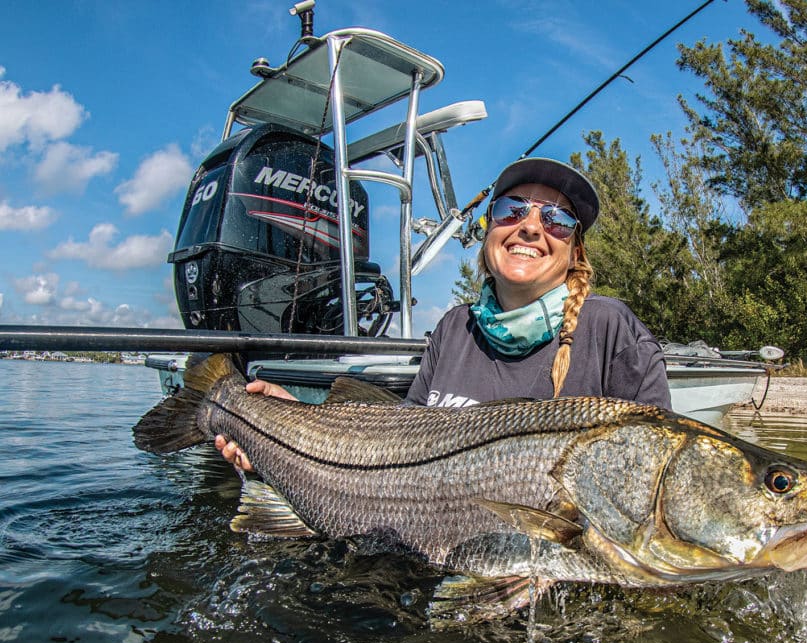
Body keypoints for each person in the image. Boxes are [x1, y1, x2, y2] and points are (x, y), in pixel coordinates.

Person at [216, 158, 670, 470]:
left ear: (574, 251)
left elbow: (643, 473)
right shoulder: (455, 327)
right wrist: (299, 426)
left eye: (557, 219)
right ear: (490, 230)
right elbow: (399, 441)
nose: (531, 226)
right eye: (512, 210)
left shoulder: (611, 329)